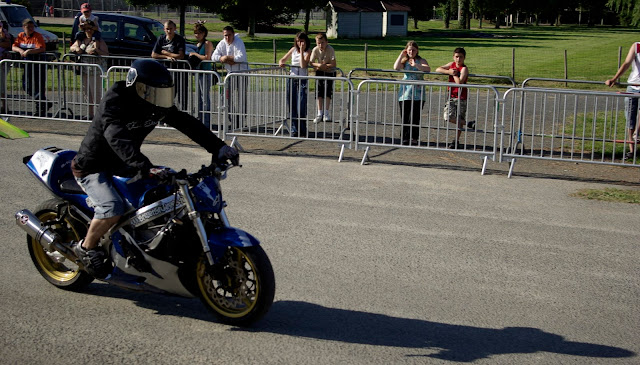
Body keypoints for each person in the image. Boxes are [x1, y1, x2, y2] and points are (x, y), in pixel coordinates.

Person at [69, 59, 239, 278]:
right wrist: (144, 166)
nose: (159, 99)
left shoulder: (154, 105)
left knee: (163, 197)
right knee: (112, 208)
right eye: (153, 92)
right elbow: (116, 136)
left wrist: (219, 147)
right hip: (94, 166)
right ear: (136, 86)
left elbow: (185, 122)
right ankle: (86, 248)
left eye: (162, 93)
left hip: (126, 165)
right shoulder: (116, 100)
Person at [605, 42, 640, 160]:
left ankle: (637, 134)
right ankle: (632, 150)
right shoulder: (637, 46)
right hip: (633, 86)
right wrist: (614, 78)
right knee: (630, 117)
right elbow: (626, 63)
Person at [393, 40, 430, 146]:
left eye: (413, 50)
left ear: (417, 50)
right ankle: (404, 137)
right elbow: (396, 67)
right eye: (409, 50)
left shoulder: (421, 60)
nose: (411, 52)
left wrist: (416, 65)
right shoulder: (404, 61)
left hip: (418, 93)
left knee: (415, 116)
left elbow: (427, 69)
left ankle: (414, 137)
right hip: (405, 92)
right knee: (405, 115)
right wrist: (401, 55)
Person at [12, 19, 51, 117]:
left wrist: (29, 51)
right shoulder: (21, 35)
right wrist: (20, 50)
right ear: (23, 27)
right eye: (28, 27)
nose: (30, 29)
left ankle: (40, 108)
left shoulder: (37, 36)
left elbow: (41, 48)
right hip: (27, 65)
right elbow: (14, 46)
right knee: (27, 86)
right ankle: (44, 102)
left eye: (31, 27)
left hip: (38, 65)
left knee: (39, 86)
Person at [70, 19, 108, 119]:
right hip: (84, 71)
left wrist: (97, 51)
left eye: (90, 29)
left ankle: (100, 115)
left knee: (97, 93)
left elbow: (106, 53)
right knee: (86, 93)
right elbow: (73, 48)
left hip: (95, 71)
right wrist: (76, 49)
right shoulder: (81, 40)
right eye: (86, 29)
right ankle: (90, 114)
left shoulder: (98, 40)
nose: (88, 31)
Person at [211, 26, 248, 128]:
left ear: (233, 34)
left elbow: (241, 57)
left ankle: (240, 121)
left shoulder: (239, 42)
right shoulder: (222, 43)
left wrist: (228, 58)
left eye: (229, 35)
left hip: (242, 74)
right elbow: (213, 56)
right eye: (225, 35)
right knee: (225, 98)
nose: (227, 37)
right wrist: (223, 58)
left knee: (241, 98)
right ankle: (233, 119)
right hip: (230, 74)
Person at [279, 31, 311, 137]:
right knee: (292, 104)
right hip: (292, 78)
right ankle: (294, 129)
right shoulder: (293, 50)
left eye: (301, 41)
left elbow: (303, 65)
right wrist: (281, 62)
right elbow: (283, 58)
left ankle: (302, 129)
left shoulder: (308, 52)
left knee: (301, 106)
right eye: (297, 41)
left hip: (302, 79)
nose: (299, 44)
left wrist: (302, 51)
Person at [436, 47, 469, 149]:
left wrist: (454, 75)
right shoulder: (451, 65)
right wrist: (449, 72)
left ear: (464, 58)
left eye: (460, 57)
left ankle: (456, 140)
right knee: (448, 117)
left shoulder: (464, 68)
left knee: (459, 118)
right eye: (456, 57)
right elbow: (438, 69)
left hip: (461, 97)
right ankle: (469, 124)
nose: (458, 59)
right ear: (453, 57)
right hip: (451, 95)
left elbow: (459, 82)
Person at [151, 20, 187, 110]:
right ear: (164, 29)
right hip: (165, 71)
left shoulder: (179, 39)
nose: (169, 31)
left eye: (171, 29)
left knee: (181, 94)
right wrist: (166, 57)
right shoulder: (161, 39)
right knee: (165, 95)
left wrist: (166, 53)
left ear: (175, 29)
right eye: (167, 29)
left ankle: (183, 114)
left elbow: (180, 55)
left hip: (178, 72)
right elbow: (154, 54)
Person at [188, 21, 214, 128]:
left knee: (205, 97)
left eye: (199, 33)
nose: (197, 35)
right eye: (195, 33)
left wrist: (195, 54)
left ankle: (206, 121)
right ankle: (199, 118)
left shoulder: (207, 43)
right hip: (198, 73)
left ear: (204, 33)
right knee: (198, 97)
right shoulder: (197, 45)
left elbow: (207, 57)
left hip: (205, 72)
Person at [310, 33, 336, 124]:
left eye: (322, 43)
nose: (320, 45)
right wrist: (319, 65)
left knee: (328, 91)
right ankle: (319, 113)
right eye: (318, 43)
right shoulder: (315, 49)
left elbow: (334, 64)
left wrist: (326, 66)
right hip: (320, 71)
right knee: (319, 91)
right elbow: (311, 62)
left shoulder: (330, 49)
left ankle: (326, 113)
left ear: (326, 42)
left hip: (330, 72)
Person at [0, 20, 12, 113]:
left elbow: (7, 44)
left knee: (1, 85)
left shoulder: (3, 31)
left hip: (2, 62)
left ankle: (4, 106)